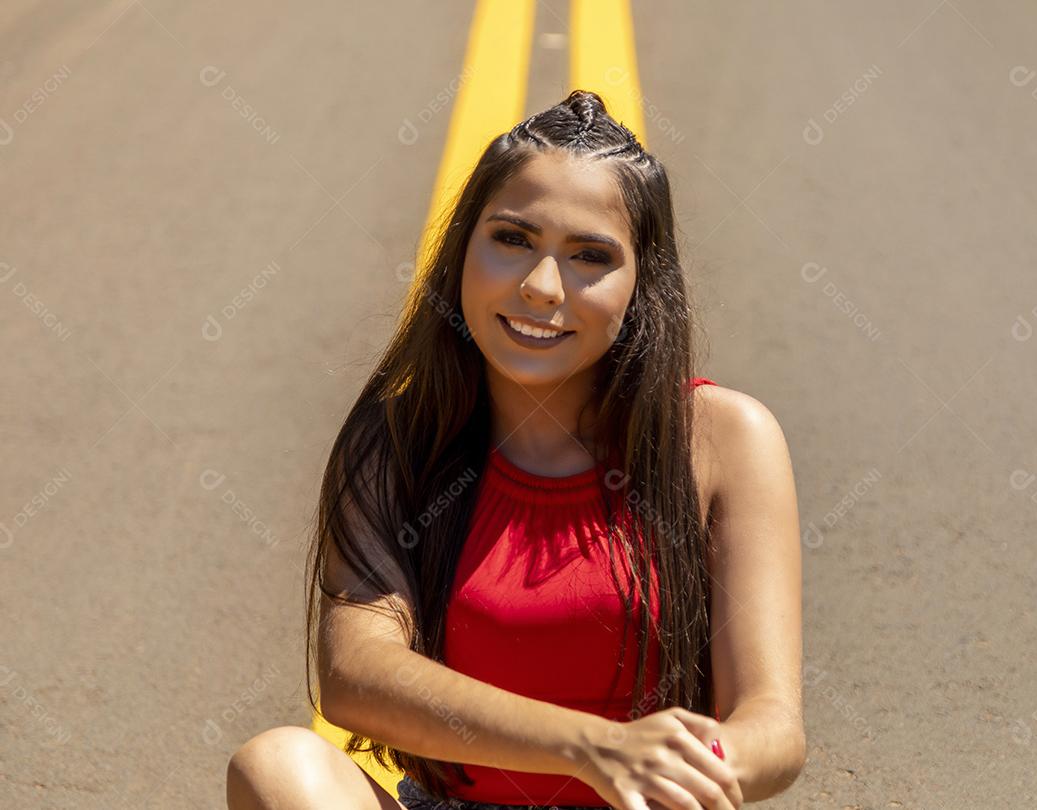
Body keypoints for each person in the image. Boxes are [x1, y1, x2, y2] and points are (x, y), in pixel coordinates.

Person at [226, 90, 804, 810]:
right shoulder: (398, 443)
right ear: (463, 250)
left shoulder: (724, 439)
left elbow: (774, 730)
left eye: (590, 256)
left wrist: (659, 770)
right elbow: (355, 670)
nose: (540, 288)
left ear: (642, 287)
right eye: (511, 239)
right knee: (279, 766)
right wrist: (594, 748)